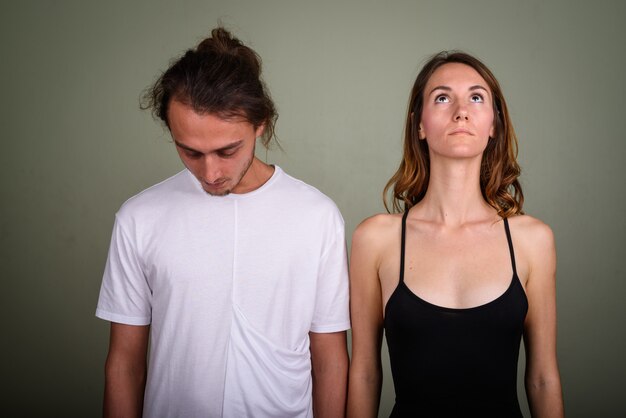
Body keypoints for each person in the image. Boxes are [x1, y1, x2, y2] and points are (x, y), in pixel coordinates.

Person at [96, 27, 350, 418]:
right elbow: (125, 364)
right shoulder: (140, 218)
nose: (210, 172)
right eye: (190, 151)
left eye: (227, 150)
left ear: (260, 124)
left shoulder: (317, 217)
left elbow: (330, 360)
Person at [347, 51, 564, 417]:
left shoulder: (533, 241)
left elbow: (542, 378)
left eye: (476, 97)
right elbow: (366, 373)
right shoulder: (375, 240)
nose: (461, 111)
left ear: (494, 124)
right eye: (442, 97)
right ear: (420, 124)